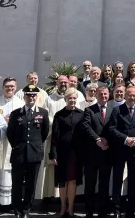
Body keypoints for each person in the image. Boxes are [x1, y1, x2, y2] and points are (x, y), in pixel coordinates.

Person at [7, 84, 50, 218]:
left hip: (34, 154)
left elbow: (45, 132)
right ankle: (17, 209)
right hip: (19, 153)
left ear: (36, 97)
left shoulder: (43, 113)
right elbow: (10, 133)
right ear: (24, 96)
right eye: (28, 95)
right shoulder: (16, 113)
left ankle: (26, 210)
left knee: (31, 183)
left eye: (33, 95)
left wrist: (34, 146)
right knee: (17, 183)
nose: (31, 97)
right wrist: (19, 145)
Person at [107, 86, 135, 218]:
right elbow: (112, 128)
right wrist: (125, 139)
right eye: (130, 95)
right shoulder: (117, 110)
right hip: (120, 149)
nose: (132, 98)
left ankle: (131, 210)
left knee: (133, 181)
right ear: (125, 96)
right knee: (117, 180)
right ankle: (116, 210)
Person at [49, 88, 84, 218]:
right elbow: (54, 136)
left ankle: (70, 208)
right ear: (66, 100)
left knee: (73, 180)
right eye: (70, 98)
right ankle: (63, 206)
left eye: (74, 98)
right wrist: (53, 153)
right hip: (62, 152)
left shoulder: (81, 114)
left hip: (76, 153)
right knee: (62, 180)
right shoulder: (59, 115)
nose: (72, 100)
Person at [0, 77, 25, 207]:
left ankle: (10, 203)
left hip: (12, 143)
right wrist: (1, 119)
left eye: (12, 86)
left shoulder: (20, 103)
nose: (9, 88)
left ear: (15, 88)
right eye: (7, 86)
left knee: (10, 170)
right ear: (3, 87)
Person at [82, 85, 114, 218]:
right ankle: (89, 211)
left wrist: (107, 141)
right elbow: (86, 126)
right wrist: (97, 140)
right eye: (101, 94)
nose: (104, 96)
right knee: (90, 183)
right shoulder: (89, 110)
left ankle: (102, 210)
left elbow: (115, 128)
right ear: (96, 95)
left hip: (107, 152)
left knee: (104, 183)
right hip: (92, 154)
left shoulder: (114, 110)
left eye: (106, 94)